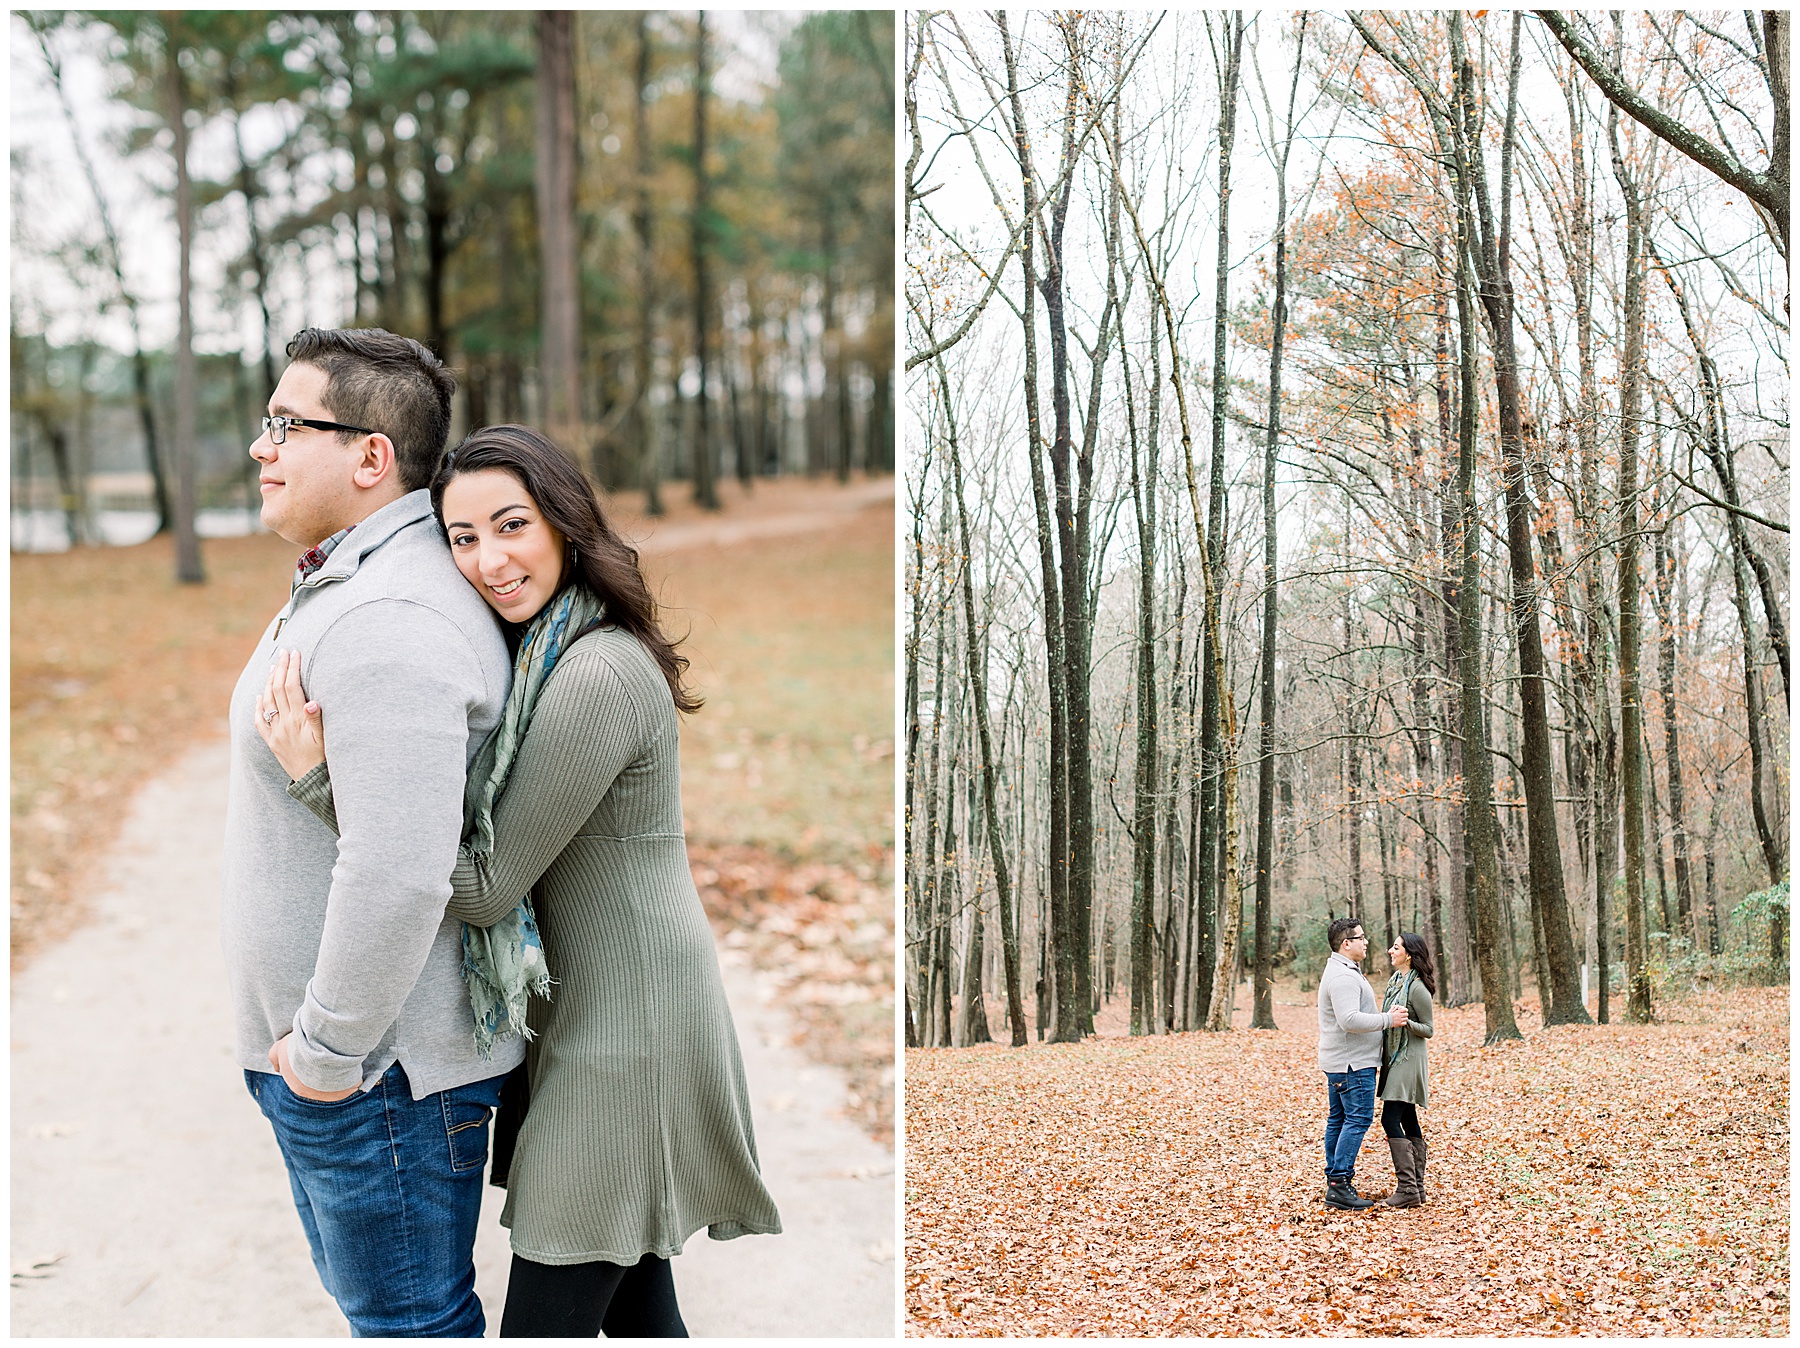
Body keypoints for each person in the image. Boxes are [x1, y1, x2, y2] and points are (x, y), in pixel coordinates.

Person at [256, 423, 781, 1338]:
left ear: (566, 526)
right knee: (640, 1311)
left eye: (512, 526)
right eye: (462, 538)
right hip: (589, 1016)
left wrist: (325, 782)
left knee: (549, 1322)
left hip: (627, 1031)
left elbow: (485, 884)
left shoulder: (597, 673)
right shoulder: (544, 653)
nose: (488, 560)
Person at [222, 326, 519, 1336]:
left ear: (369, 456)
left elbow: (398, 870)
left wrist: (323, 1054)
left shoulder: (393, 616)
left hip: (377, 1078)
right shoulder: (351, 581)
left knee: (410, 1329)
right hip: (353, 1074)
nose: (260, 446)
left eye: (283, 424)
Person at [1316, 917, 1408, 1211]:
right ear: (1347, 944)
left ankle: (1336, 1181)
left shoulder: (1343, 970)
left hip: (1343, 1062)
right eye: (1361, 937)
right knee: (1356, 1120)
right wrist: (1388, 1020)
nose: (1366, 942)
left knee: (1340, 1120)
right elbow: (1349, 1020)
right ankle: (1339, 1184)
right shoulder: (1343, 976)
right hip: (1352, 1064)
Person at [1377, 932, 1436, 1208]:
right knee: (1408, 1118)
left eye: (1396, 947)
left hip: (1409, 1060)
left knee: (1390, 1119)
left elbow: (1429, 1030)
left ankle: (1408, 1188)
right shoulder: (1396, 982)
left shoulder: (1417, 988)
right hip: (1396, 1056)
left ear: (1409, 955)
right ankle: (1418, 1189)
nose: (1391, 950)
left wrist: (1406, 1022)